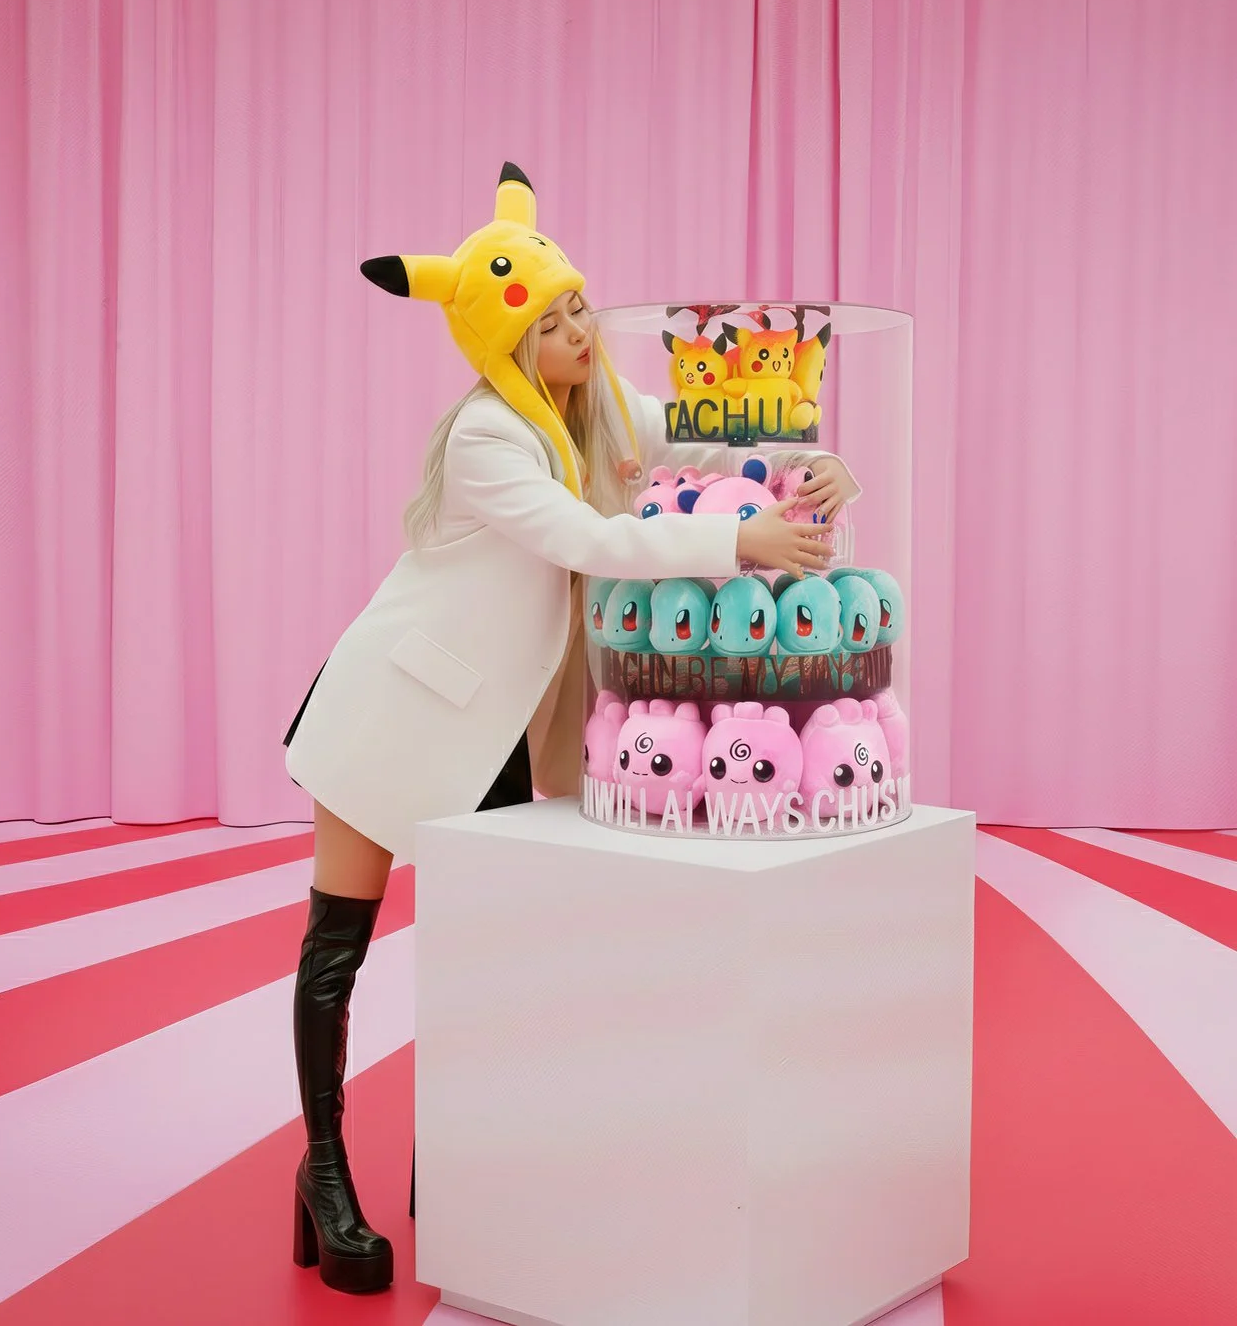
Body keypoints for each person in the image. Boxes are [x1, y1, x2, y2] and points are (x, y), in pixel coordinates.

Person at [282, 162, 858, 1295]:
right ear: (504, 344)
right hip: (393, 709)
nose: (578, 332)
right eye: (548, 323)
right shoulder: (486, 436)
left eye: (579, 306)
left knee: (485, 952)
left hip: (497, 730)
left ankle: (455, 1164)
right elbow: (584, 540)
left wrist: (809, 462)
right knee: (338, 948)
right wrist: (735, 544)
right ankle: (325, 1173)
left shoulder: (599, 403)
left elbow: (706, 438)